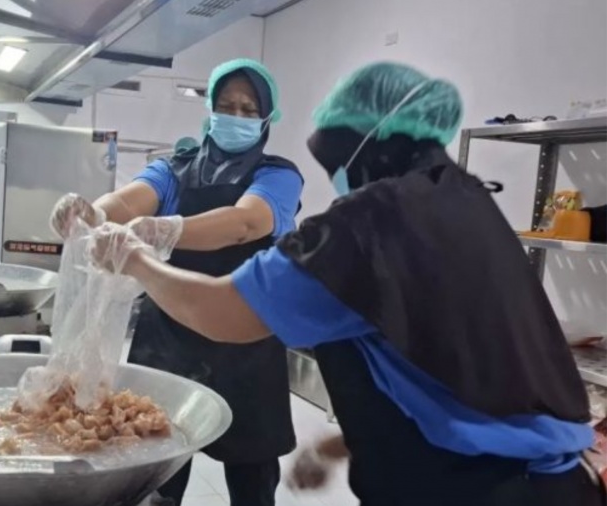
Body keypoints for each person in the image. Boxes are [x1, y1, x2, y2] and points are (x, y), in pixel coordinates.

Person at [87, 62, 604, 506]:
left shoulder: (369, 224)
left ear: (365, 147)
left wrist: (136, 259)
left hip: (475, 490)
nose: (339, 179)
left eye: (337, 159)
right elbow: (443, 355)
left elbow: (226, 311)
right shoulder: (464, 203)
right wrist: (350, 442)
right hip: (551, 482)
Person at [50, 58, 304, 506]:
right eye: (227, 106)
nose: (237, 116)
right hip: (169, 340)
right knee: (158, 474)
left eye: (249, 109)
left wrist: (169, 229)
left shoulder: (278, 175)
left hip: (246, 344)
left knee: (252, 480)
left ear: (267, 118)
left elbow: (245, 222)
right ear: (211, 109)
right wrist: (92, 213)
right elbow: (128, 202)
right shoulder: (175, 169)